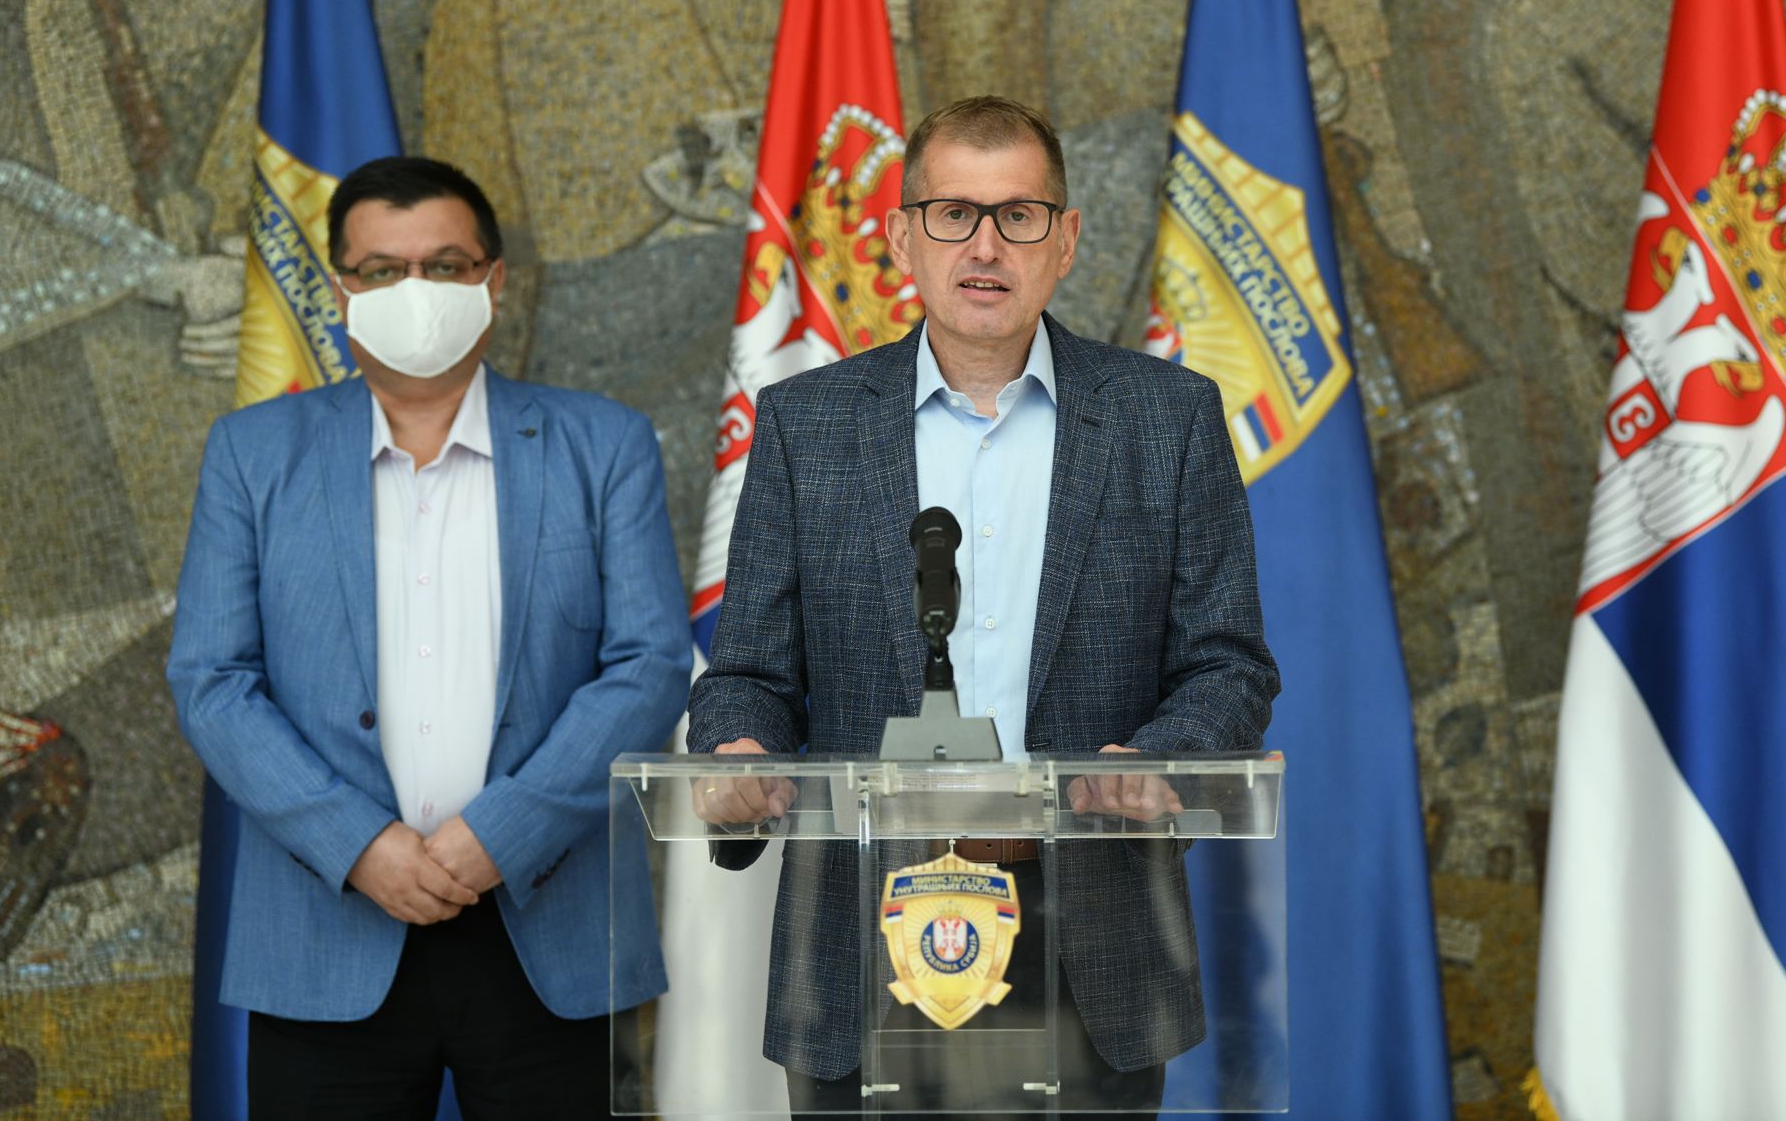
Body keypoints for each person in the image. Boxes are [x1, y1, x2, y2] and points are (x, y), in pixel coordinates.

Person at [686, 96, 1279, 1115]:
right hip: (861, 923)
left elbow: (1227, 663)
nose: (985, 244)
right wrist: (736, 745)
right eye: (953, 213)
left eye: (1018, 215)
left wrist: (1153, 760)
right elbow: (747, 670)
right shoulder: (806, 424)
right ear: (902, 236)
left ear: (1066, 240)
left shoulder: (1165, 418)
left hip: (1092, 917)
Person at [166, 156, 693, 1117]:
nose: (414, 291)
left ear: (493, 281)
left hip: (550, 922)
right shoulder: (252, 454)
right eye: (380, 269)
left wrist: (500, 835)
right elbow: (212, 679)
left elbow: (649, 665)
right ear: (339, 292)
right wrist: (359, 844)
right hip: (329, 926)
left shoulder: (603, 444)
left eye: (445, 265)